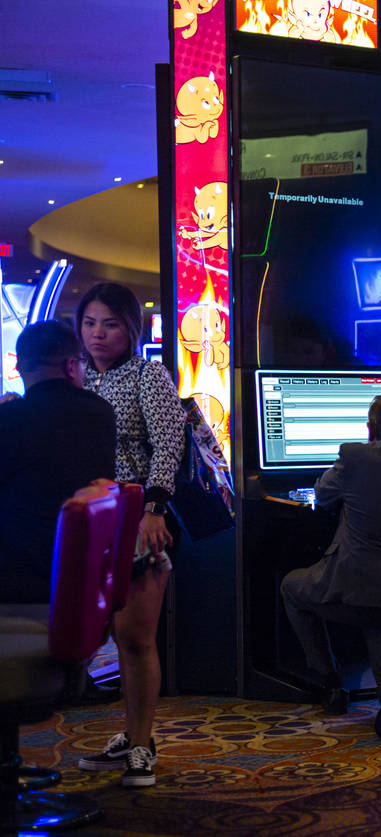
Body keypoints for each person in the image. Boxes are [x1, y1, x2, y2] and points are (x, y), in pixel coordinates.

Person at [280, 395, 381, 739]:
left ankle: (329, 682)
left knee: (291, 587)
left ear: (370, 430)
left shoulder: (354, 457)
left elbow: (322, 493)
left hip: (354, 595)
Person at [74, 283, 186, 788]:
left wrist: (155, 509)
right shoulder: (75, 379)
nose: (98, 333)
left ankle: (142, 743)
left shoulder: (148, 374)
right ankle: (128, 731)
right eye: (90, 322)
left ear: (131, 329)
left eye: (110, 324)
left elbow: (168, 445)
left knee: (136, 637)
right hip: (86, 522)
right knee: (103, 637)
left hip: (139, 519)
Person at [0, 321, 116, 604]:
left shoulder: (10, 419)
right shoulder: (101, 413)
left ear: (20, 369)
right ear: (70, 366)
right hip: (86, 576)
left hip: (22, 586)